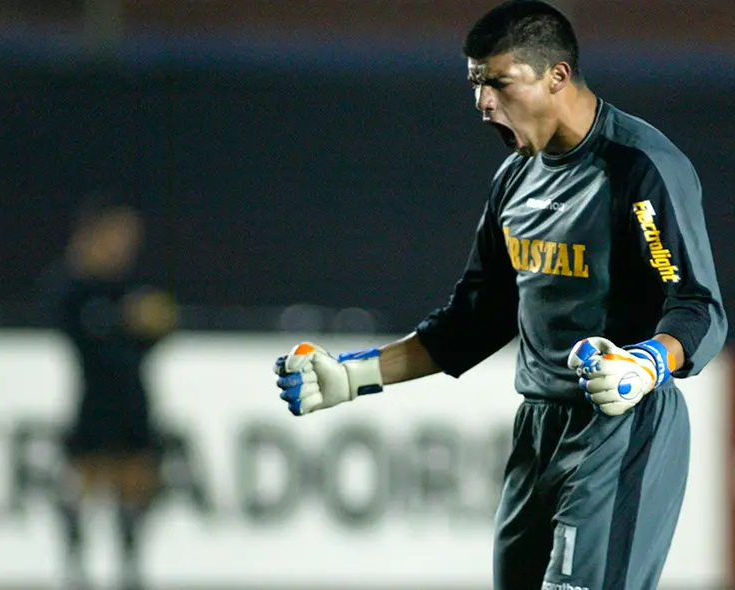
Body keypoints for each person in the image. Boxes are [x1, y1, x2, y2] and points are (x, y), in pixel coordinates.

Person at [272, 2, 727, 589]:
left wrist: (644, 363)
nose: (483, 102)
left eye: (499, 82)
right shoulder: (515, 179)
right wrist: (354, 376)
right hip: (537, 432)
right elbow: (474, 320)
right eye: (476, 83)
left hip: (622, 425)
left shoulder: (639, 168)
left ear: (556, 76)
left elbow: (698, 309)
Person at [37, 192, 177, 590]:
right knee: (83, 480)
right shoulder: (73, 285)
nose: (125, 243)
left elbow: (157, 331)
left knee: (138, 482)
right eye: (117, 234)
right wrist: (122, 320)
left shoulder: (135, 284)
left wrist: (152, 325)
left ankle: (129, 568)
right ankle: (74, 568)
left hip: (134, 399)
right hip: (95, 399)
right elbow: (75, 326)